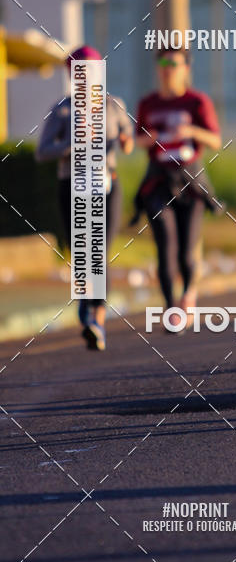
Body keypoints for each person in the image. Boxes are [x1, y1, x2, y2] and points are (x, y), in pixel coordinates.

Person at [37, 45, 133, 350]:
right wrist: (70, 144)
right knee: (82, 254)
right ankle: (86, 307)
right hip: (73, 184)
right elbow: (42, 152)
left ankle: (96, 319)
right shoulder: (62, 109)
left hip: (107, 184)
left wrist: (125, 140)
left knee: (99, 252)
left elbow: (128, 142)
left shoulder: (114, 105)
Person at [134, 47, 221, 315]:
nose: (167, 68)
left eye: (174, 63)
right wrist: (151, 138)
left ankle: (189, 294)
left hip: (190, 183)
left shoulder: (197, 102)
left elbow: (215, 141)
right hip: (158, 180)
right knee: (165, 245)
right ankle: (172, 309)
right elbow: (136, 141)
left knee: (186, 252)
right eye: (163, 63)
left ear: (186, 69)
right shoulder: (148, 103)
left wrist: (191, 131)